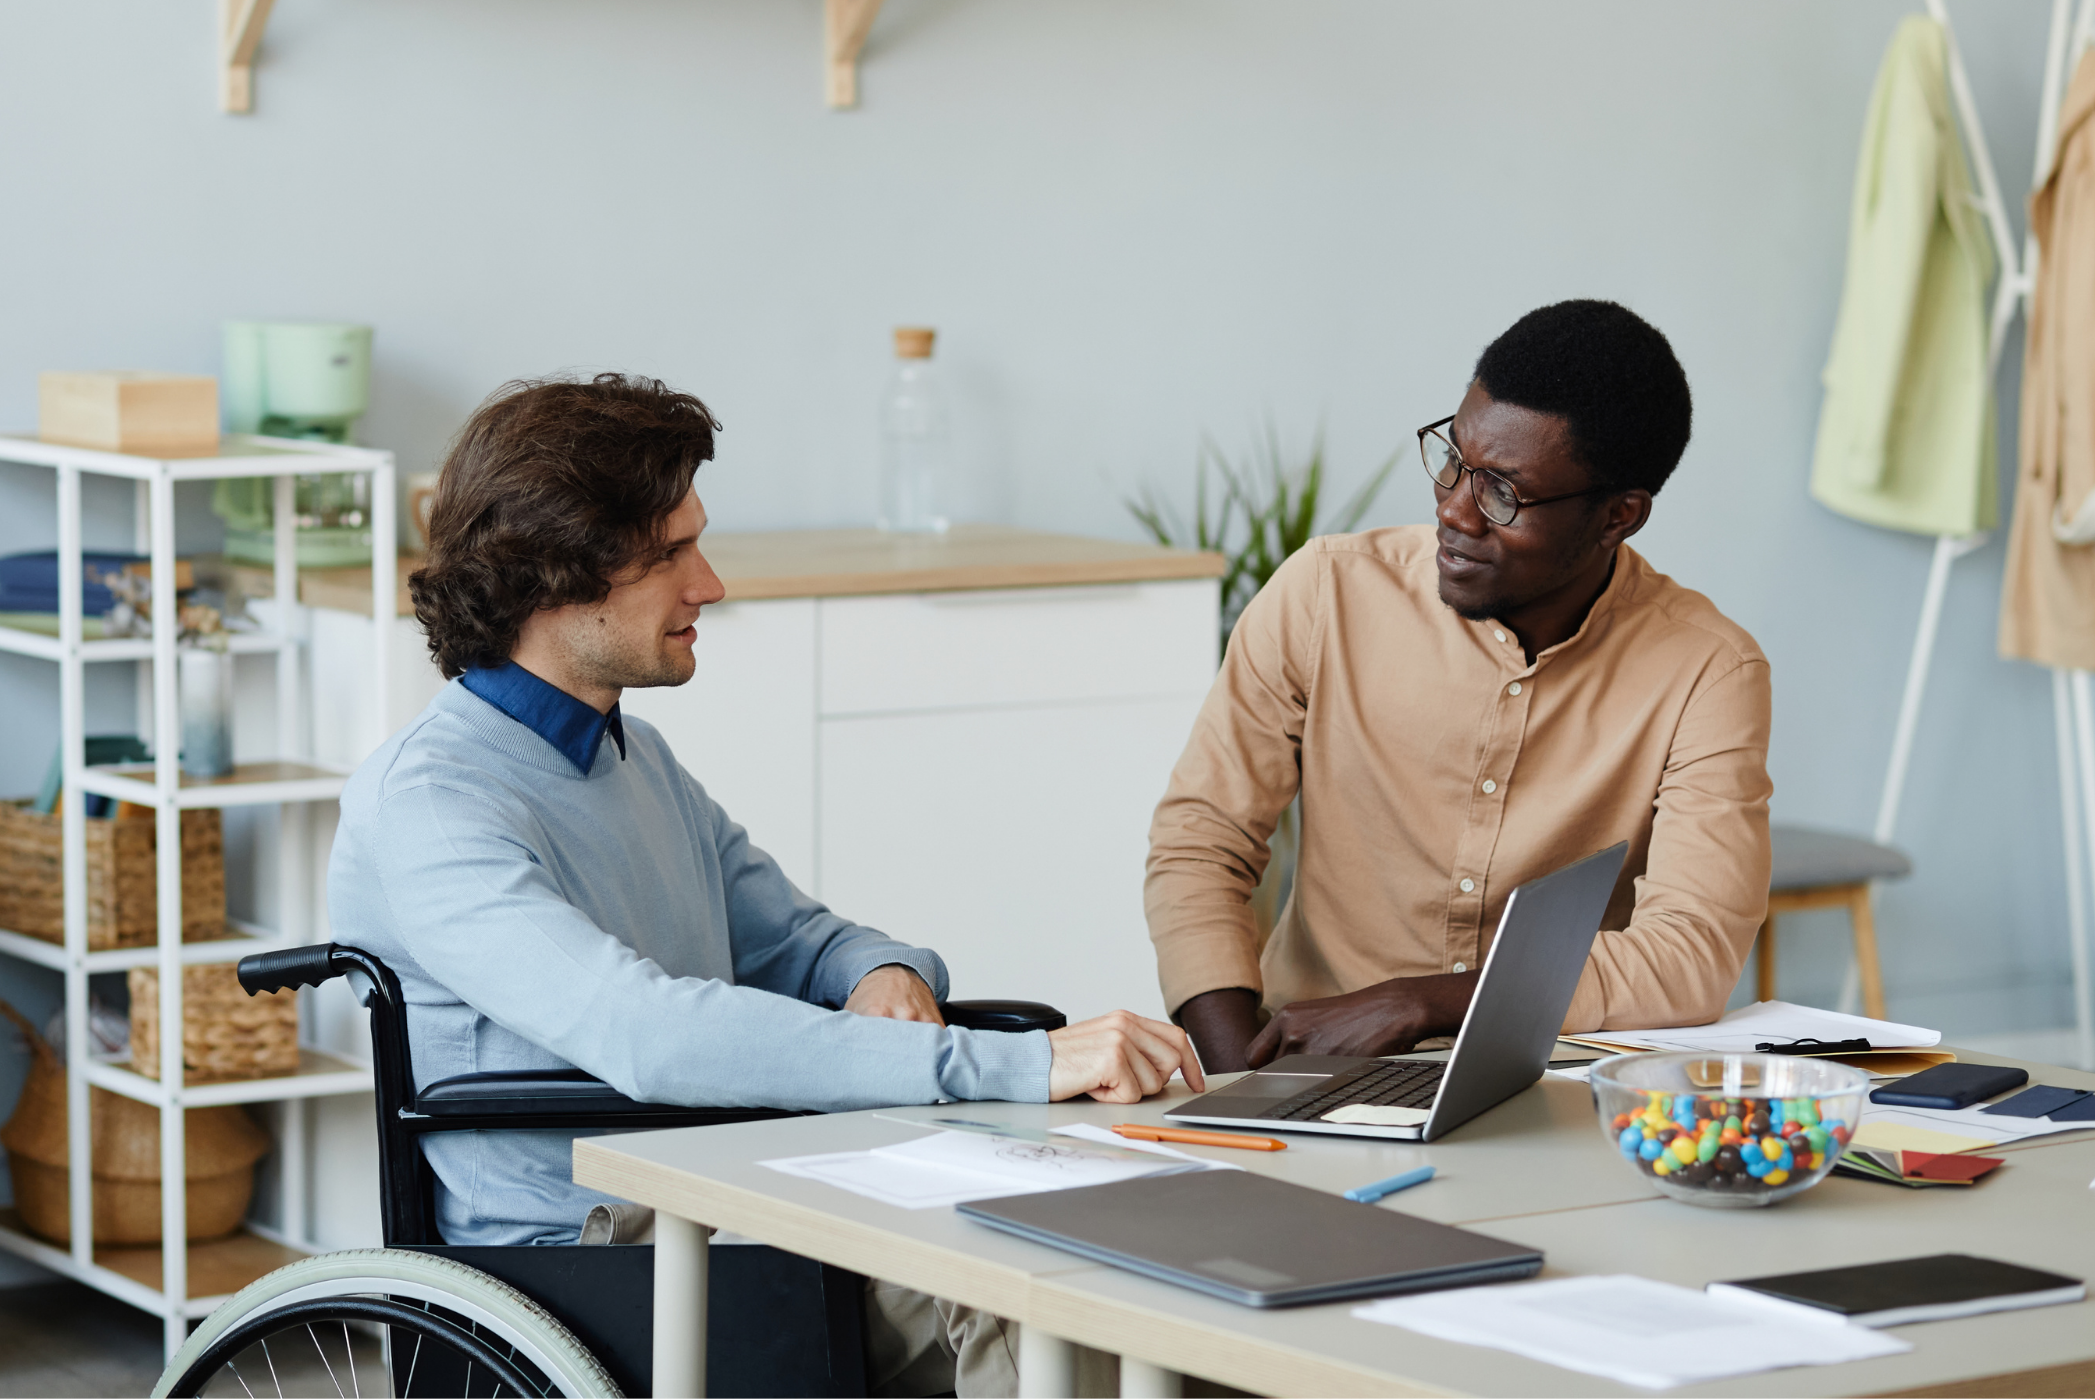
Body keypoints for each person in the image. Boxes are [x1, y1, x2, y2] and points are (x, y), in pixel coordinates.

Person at [328, 373, 1201, 1398]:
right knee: (1013, 1275)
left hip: (735, 1186)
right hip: (583, 1253)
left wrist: (877, 967)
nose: (709, 584)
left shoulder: (632, 756)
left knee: (1115, 1231)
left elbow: (802, 939)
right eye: (668, 555)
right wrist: (1002, 1064)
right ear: (553, 577)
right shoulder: (430, 800)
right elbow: (645, 1031)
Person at [1146, 300, 1773, 1074]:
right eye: (1452, 461)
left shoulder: (1707, 670)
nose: (1453, 510)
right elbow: (1200, 844)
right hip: (1300, 1063)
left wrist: (1425, 1003)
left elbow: (1689, 953)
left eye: (1502, 494)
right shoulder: (1327, 593)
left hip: (1547, 1083)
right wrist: (1243, 1074)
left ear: (1618, 517)